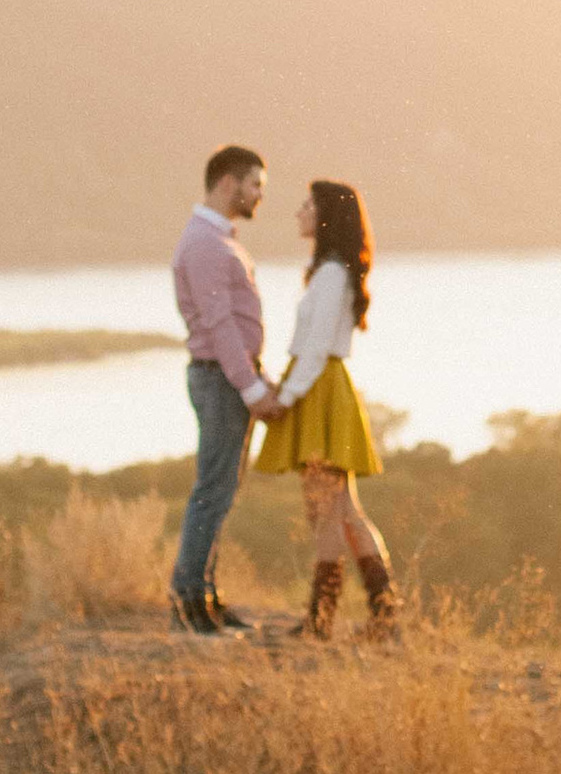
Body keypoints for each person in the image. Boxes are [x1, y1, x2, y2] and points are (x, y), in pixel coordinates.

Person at [254, 175, 400, 640]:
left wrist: (285, 395)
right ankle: (383, 615)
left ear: (325, 215)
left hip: (319, 389)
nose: (298, 212)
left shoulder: (333, 273)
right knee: (344, 509)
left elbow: (315, 349)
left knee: (326, 511)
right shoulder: (332, 271)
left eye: (306, 205)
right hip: (321, 387)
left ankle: (322, 620)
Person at [170, 144, 285, 634]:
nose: (259, 194)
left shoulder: (218, 241)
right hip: (220, 379)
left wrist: (257, 377)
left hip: (228, 376)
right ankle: (188, 606)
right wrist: (252, 388)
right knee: (212, 491)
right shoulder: (205, 245)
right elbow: (219, 326)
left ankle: (206, 598)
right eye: (254, 184)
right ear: (227, 183)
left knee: (221, 489)